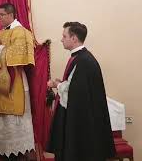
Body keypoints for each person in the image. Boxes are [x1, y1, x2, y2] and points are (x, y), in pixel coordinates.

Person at [46, 22, 115, 161]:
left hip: (83, 120)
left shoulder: (83, 61)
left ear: (74, 38)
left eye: (64, 36)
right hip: (81, 115)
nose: (61, 39)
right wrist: (61, 84)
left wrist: (56, 85)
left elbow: (74, 94)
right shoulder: (80, 57)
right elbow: (76, 86)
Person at [0, 3, 38, 160]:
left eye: (1, 15)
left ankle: (20, 155)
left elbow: (18, 56)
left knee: (16, 124)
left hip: (16, 84)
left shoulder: (21, 32)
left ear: (11, 15)